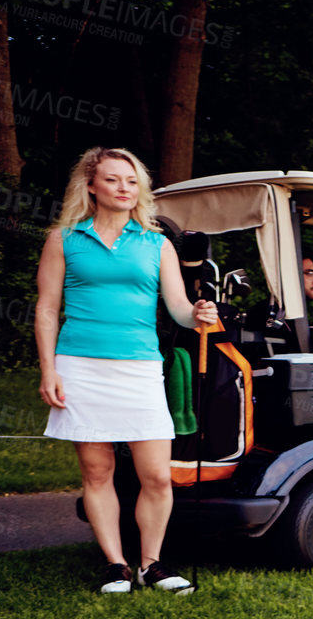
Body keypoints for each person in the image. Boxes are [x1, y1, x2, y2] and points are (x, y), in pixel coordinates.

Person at [35, 146, 219, 594]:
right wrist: (48, 371)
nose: (124, 188)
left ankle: (151, 565)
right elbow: (46, 308)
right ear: (91, 186)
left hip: (139, 368)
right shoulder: (64, 239)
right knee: (97, 474)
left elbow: (175, 308)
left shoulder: (157, 244)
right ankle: (116, 565)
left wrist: (197, 313)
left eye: (132, 181)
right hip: (79, 365)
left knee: (156, 475)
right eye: (114, 179)